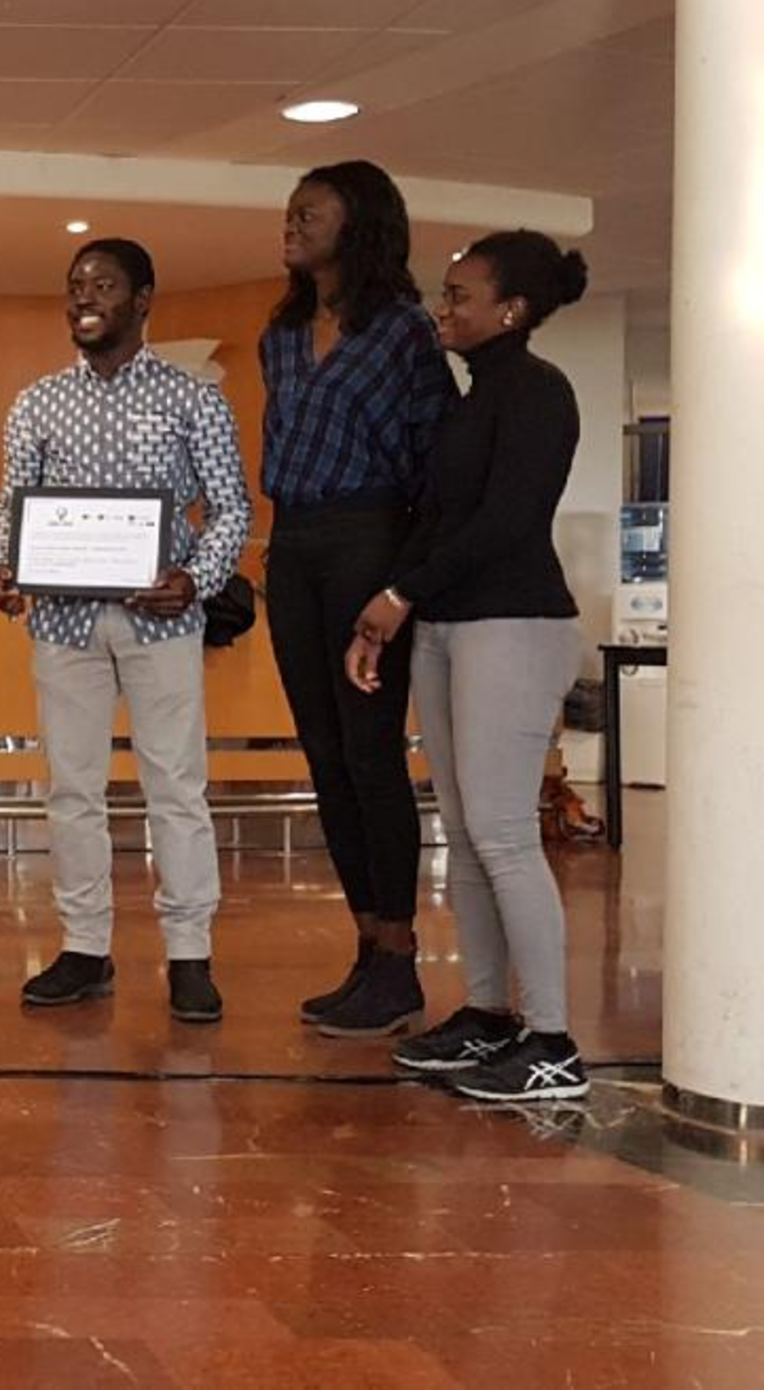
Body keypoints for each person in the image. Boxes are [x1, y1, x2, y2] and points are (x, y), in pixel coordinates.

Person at [345, 231, 592, 1101]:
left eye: (458, 295)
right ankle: (488, 1013)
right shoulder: (471, 397)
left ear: (510, 310)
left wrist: (402, 593)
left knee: (503, 834)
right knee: (468, 833)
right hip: (449, 626)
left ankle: (553, 1041)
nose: (441, 308)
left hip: (514, 625)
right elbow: (439, 517)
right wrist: (386, 611)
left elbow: (506, 521)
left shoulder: (538, 392)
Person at [0, 239, 251, 1022]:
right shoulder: (37, 401)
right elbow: (13, 502)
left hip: (162, 622)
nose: (84, 298)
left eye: (103, 285)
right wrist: (0, 564)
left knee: (176, 787)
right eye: (75, 285)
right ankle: (84, 946)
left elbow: (231, 507)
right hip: (63, 624)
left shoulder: (192, 398)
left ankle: (190, 953)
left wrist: (194, 578)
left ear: (143, 300)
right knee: (72, 788)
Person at [260, 160, 454, 1039]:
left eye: (312, 212)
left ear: (360, 223)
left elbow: (433, 466)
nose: (293, 222)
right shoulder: (282, 331)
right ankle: (368, 946)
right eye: (292, 210)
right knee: (325, 755)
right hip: (294, 542)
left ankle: (401, 959)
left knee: (371, 754)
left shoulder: (405, 332)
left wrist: (399, 584)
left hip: (369, 536)